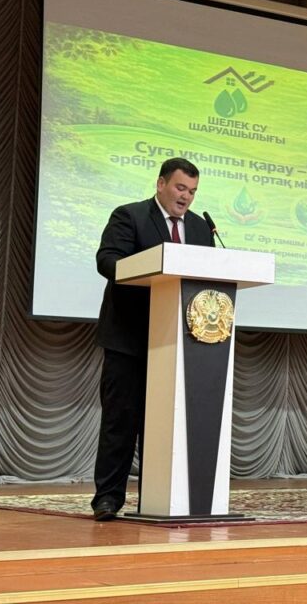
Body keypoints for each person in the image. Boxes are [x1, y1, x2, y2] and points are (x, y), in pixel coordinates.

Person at [90, 157, 214, 521]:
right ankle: (107, 498)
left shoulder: (199, 227)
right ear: (161, 184)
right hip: (129, 338)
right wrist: (151, 270)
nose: (185, 197)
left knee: (165, 427)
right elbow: (107, 260)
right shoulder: (129, 216)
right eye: (180, 188)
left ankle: (158, 499)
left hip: (178, 342)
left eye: (192, 191)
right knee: (121, 422)